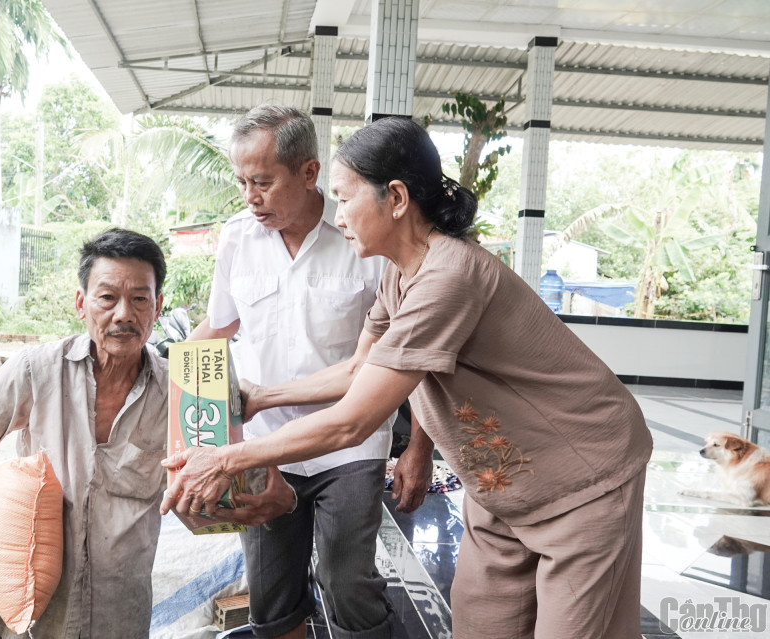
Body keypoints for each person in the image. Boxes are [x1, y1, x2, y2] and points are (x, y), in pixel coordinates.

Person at [162, 117, 654, 639]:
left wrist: (226, 458)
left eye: (347, 199)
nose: (340, 215)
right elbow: (357, 370)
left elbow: (355, 421)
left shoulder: (449, 276)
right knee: (481, 622)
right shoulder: (399, 272)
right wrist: (262, 397)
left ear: (395, 198)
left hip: (581, 478)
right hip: (501, 490)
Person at [0, 228, 295, 639]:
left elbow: (252, 490)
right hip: (24, 618)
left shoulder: (187, 392)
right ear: (82, 303)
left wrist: (272, 487)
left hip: (118, 621)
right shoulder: (36, 370)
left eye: (140, 299)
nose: (124, 314)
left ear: (157, 309)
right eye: (107, 298)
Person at [186, 104, 435, 639]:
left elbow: (410, 354)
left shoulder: (366, 235)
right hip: (261, 443)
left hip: (350, 446)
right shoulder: (237, 238)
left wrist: (418, 448)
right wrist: (154, 377)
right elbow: (218, 327)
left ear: (308, 172)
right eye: (241, 182)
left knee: (347, 583)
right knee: (272, 595)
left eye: (262, 182)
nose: (249, 196)